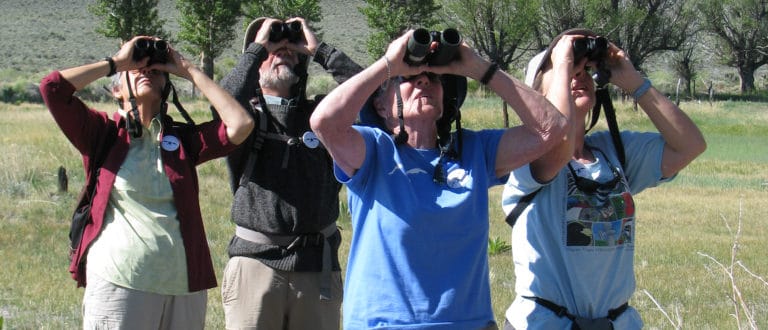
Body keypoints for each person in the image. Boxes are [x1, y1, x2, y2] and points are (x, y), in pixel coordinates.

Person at [310, 29, 568, 329]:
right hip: (385, 324)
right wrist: (388, 65)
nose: (423, 80)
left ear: (447, 100)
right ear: (380, 106)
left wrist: (478, 68)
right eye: (407, 79)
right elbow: (323, 123)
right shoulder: (374, 152)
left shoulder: (474, 151)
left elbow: (552, 129)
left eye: (434, 78)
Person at [39, 36, 254, 329]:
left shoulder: (181, 140)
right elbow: (52, 89)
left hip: (184, 286)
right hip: (120, 281)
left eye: (156, 70)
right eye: (136, 69)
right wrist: (118, 62)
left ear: (167, 86)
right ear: (116, 89)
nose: (146, 71)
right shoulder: (102, 134)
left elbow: (240, 125)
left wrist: (187, 69)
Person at [500, 28, 707, 329]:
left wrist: (634, 82)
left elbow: (691, 145)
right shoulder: (526, 154)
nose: (579, 75)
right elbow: (556, 144)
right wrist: (561, 62)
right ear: (538, 92)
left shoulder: (613, 152)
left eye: (586, 70)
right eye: (568, 69)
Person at [217, 17, 363, 329]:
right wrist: (258, 47)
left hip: (316, 267)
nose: (281, 53)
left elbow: (374, 102)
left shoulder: (322, 117)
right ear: (254, 64)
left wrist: (318, 50)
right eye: (272, 50)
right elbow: (223, 100)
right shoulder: (243, 119)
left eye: (290, 51)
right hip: (254, 262)